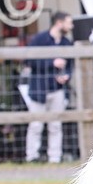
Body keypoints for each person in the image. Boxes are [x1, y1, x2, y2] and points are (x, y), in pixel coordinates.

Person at [22, 11, 73, 163]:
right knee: (36, 124)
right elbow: (29, 61)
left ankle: (54, 158)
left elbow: (71, 64)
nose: (71, 26)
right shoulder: (39, 39)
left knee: (56, 125)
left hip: (58, 89)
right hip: (39, 89)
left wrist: (67, 76)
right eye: (69, 22)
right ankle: (32, 156)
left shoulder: (66, 43)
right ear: (59, 22)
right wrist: (52, 63)